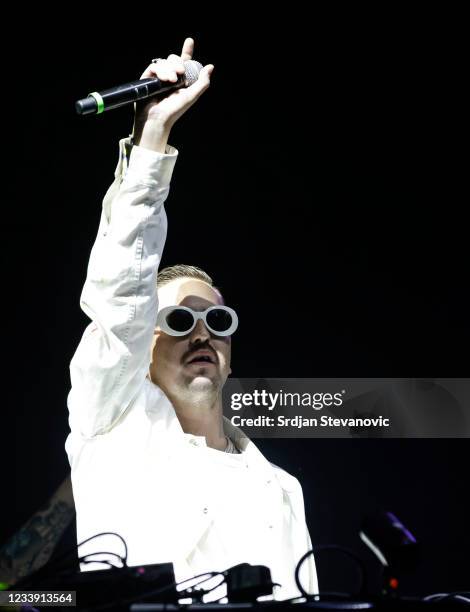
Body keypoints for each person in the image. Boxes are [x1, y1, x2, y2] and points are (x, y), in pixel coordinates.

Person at [65, 37, 318, 602]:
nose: (202, 333)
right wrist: (152, 137)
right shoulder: (114, 425)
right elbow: (120, 295)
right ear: (142, 345)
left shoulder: (280, 488)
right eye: (179, 320)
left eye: (216, 321)